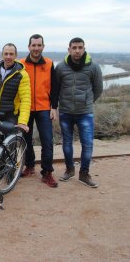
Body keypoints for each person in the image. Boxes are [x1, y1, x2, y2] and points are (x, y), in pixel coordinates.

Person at [54, 37, 103, 188]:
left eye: (80, 47)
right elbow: (56, 89)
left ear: (84, 48)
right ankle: (69, 170)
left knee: (87, 145)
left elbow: (98, 89)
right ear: (69, 49)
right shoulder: (61, 67)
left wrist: (87, 102)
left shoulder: (93, 67)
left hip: (85, 113)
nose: (77, 50)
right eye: (74, 47)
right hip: (66, 112)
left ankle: (84, 174)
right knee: (67, 143)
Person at [19, 34, 58, 188]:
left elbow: (54, 87)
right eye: (33, 45)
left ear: (43, 46)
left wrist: (54, 107)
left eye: (39, 45)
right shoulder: (20, 63)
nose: (36, 48)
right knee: (26, 140)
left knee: (47, 141)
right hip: (26, 108)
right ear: (29, 47)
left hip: (44, 108)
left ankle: (47, 172)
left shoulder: (48, 63)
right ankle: (29, 166)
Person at [0, 43, 31, 132]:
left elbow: (25, 99)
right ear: (2, 55)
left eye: (11, 54)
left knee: (8, 144)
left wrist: (23, 122)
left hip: (10, 115)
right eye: (6, 54)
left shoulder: (22, 75)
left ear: (15, 55)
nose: (8, 57)